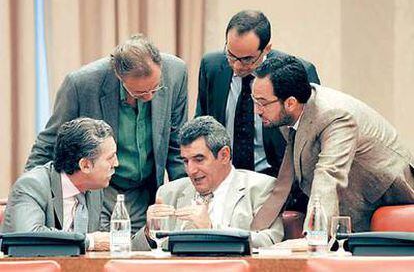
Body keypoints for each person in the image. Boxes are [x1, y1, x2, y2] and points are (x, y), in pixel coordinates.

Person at [25, 34, 188, 234]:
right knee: (101, 251)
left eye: (155, 89)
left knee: (144, 254)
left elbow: (177, 144)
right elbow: (50, 143)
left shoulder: (176, 73)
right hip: (100, 191)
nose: (148, 97)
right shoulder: (81, 84)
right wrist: (29, 193)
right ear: (119, 76)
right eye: (139, 93)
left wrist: (187, 196)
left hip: (145, 190)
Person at [250, 56, 414, 236]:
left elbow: (328, 174)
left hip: (381, 192)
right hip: (348, 193)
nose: (256, 110)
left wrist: (314, 238)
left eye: (262, 103)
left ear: (290, 103)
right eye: (254, 100)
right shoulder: (286, 112)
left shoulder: (334, 116)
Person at [196, 10, 319, 212]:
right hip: (226, 181)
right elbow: (203, 124)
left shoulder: (298, 72)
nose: (236, 66)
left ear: (266, 49)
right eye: (231, 55)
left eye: (246, 60)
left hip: (277, 180)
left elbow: (309, 140)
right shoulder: (211, 65)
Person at [131, 116, 284, 250]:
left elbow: (271, 241)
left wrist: (211, 230)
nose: (191, 170)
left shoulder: (261, 188)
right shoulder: (168, 193)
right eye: (185, 161)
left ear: (224, 155)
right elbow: (134, 253)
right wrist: (148, 233)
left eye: (199, 159)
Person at [1, 118, 118, 251]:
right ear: (85, 165)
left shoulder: (94, 190)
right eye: (111, 157)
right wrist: (89, 241)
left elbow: (107, 241)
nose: (116, 163)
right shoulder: (31, 185)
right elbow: (29, 238)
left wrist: (146, 234)